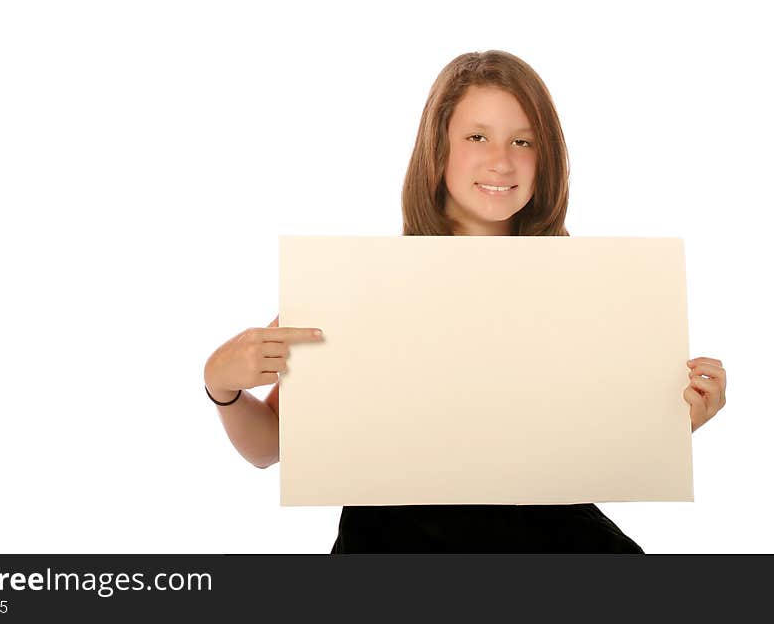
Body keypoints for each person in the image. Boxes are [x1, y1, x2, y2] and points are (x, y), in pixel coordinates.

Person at [203, 50, 728, 553]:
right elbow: (268, 447)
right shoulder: (360, 290)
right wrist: (221, 383)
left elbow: (596, 450)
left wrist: (668, 423)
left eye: (524, 142)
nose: (501, 160)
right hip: (393, 545)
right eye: (478, 136)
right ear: (439, 150)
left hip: (549, 540)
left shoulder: (591, 293)